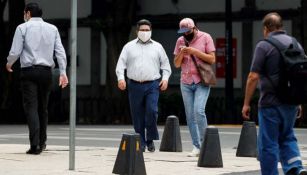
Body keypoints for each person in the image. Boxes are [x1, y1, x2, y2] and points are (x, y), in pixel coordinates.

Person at [242, 12, 307, 175]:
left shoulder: (264, 45)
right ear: (281, 27)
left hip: (270, 103)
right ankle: (295, 167)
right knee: (287, 136)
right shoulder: (295, 43)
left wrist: (246, 103)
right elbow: (299, 75)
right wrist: (298, 101)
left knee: (268, 143)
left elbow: (253, 76)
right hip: (291, 102)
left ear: (266, 29)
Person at [6, 2, 68, 155]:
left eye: (24, 14)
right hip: (46, 72)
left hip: (29, 72)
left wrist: (9, 63)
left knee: (31, 107)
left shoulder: (22, 28)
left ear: (28, 13)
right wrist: (63, 72)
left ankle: (35, 145)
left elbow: (15, 51)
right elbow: (60, 51)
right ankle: (43, 142)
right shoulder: (52, 28)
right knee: (43, 108)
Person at [115, 19, 171, 152]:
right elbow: (120, 65)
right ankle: (140, 141)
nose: (145, 32)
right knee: (137, 115)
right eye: (142, 30)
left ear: (151, 31)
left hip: (152, 85)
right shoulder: (128, 47)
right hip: (134, 85)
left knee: (152, 111)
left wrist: (166, 79)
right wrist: (120, 79)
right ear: (137, 31)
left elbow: (166, 65)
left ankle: (150, 139)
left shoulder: (158, 47)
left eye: (147, 30)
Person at [173, 18, 216, 157]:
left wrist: (194, 52)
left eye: (188, 31)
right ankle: (196, 146)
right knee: (190, 115)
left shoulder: (206, 37)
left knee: (199, 111)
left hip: (201, 81)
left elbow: (212, 59)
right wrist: (181, 53)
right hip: (185, 81)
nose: (185, 34)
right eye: (183, 32)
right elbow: (176, 64)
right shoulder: (180, 41)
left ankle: (206, 144)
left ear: (194, 28)